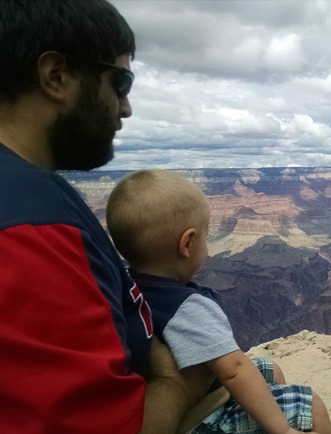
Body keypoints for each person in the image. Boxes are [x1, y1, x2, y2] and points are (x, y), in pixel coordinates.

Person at [0, 1, 210, 433]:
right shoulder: (31, 229)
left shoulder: (37, 193)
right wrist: (179, 380)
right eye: (120, 81)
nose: (127, 107)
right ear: (56, 76)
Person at [106, 169, 331, 434]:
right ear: (188, 243)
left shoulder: (126, 287)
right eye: (207, 236)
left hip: (176, 399)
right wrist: (282, 430)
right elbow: (234, 370)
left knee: (270, 370)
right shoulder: (187, 307)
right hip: (200, 417)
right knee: (311, 405)